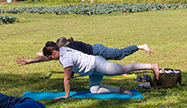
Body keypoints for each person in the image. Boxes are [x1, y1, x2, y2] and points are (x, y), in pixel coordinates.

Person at [42, 42, 160, 98]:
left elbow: (67, 79)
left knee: (123, 69)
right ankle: (120, 89)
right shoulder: (62, 48)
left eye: (50, 57)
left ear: (53, 52)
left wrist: (66, 95)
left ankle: (151, 66)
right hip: (92, 71)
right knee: (95, 91)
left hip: (97, 64)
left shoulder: (65, 58)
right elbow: (45, 55)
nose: (51, 59)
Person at [17, 37, 151, 66]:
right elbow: (47, 57)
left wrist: (42, 56)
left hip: (98, 51)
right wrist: (29, 61)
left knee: (119, 55)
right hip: (94, 57)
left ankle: (140, 46)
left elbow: (46, 58)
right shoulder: (66, 48)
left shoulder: (70, 48)